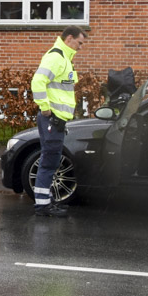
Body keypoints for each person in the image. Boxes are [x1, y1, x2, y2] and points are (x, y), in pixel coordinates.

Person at [29, 25, 87, 217]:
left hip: (57, 120)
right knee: (49, 162)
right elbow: (38, 81)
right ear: (69, 38)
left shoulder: (64, 58)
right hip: (52, 120)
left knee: (51, 162)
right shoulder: (56, 57)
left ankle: (45, 202)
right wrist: (45, 108)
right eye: (79, 43)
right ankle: (43, 206)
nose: (80, 47)